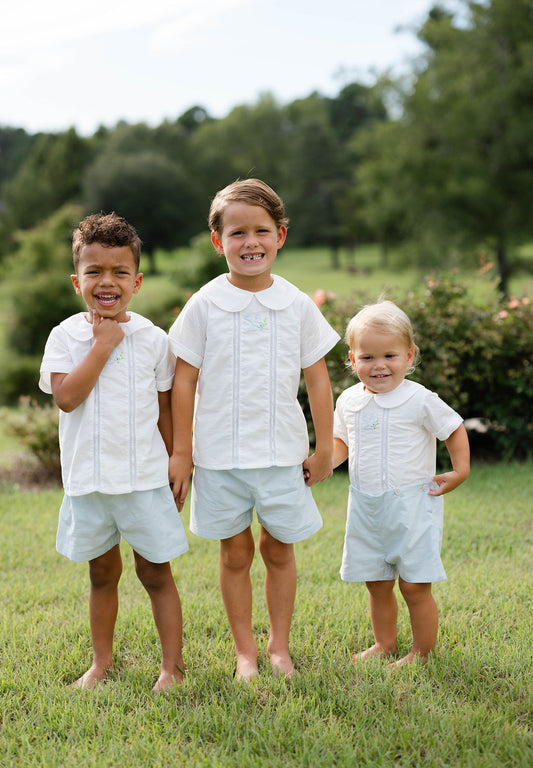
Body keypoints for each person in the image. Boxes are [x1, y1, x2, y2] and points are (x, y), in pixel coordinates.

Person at [168, 179, 340, 681]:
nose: (251, 242)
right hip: (218, 457)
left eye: (262, 230)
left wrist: (325, 447)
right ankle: (245, 652)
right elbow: (183, 383)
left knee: (278, 549)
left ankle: (278, 647)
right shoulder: (203, 304)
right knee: (236, 551)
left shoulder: (298, 304)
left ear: (280, 235)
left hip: (282, 454)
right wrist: (182, 452)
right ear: (218, 241)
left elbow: (318, 380)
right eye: (237, 232)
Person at [39, 212, 188, 693]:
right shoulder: (66, 337)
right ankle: (101, 663)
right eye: (95, 272)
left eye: (120, 272)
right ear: (76, 279)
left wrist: (176, 459)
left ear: (137, 281)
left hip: (145, 479)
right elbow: (66, 397)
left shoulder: (153, 339)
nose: (108, 282)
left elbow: (165, 409)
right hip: (90, 482)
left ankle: (172, 667)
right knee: (102, 574)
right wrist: (101, 346)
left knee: (156, 573)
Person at [332, 300, 470, 667]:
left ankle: (422, 654)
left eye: (390, 355)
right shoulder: (348, 401)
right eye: (368, 357)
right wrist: (325, 464)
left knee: (413, 585)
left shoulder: (419, 399)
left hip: (411, 506)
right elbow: (341, 443)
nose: (379, 365)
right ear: (352, 358)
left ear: (409, 356)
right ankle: (385, 643)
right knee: (376, 582)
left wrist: (460, 471)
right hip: (365, 507)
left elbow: (454, 429)